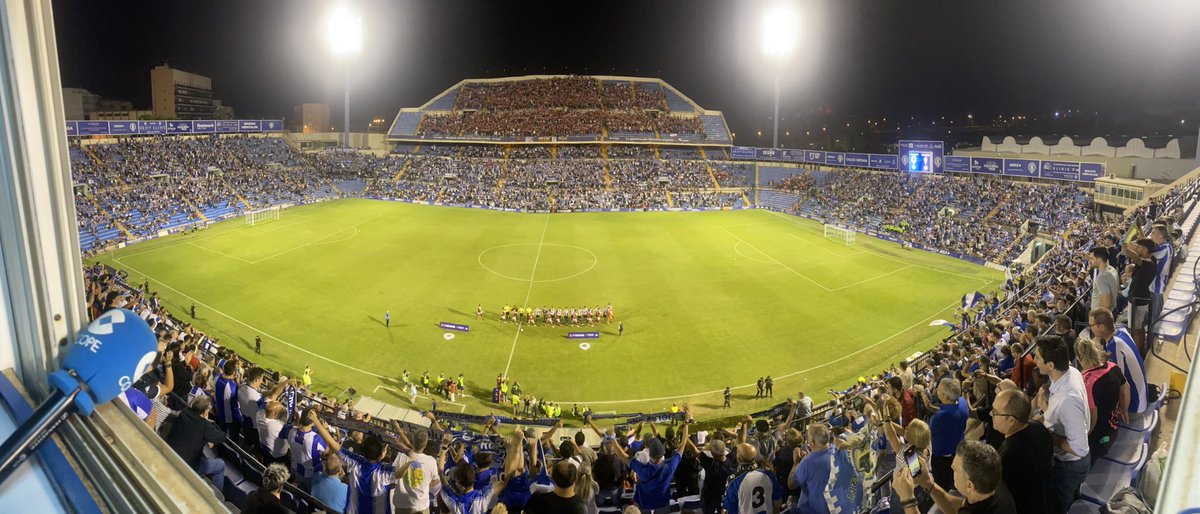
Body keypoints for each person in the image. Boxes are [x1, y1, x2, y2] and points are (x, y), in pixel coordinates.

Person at [1032, 335, 1090, 511]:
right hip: (1068, 463)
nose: (1034, 360)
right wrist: (1046, 409)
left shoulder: (1067, 399)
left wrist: (1049, 435)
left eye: (1038, 357)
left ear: (1050, 365)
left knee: (1058, 504)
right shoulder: (1071, 372)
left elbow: (1080, 448)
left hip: (1069, 465)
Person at [892, 440, 1017, 514]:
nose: (951, 469)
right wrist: (928, 483)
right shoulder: (993, 485)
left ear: (970, 485)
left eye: (955, 470)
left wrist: (907, 499)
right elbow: (960, 506)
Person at [991, 389, 1059, 514]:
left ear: (1011, 420)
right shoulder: (1039, 427)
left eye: (995, 412)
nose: (991, 415)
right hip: (1047, 501)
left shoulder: (1007, 456)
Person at [1076, 338, 1128, 464]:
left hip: (1099, 441)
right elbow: (1125, 388)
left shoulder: (1086, 383)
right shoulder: (1113, 367)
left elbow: (1092, 419)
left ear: (1079, 358)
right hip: (1113, 429)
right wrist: (1124, 409)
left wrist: (1084, 438)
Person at [629, 407, 690, 514]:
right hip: (663, 501)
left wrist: (650, 418)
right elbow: (683, 443)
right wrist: (686, 423)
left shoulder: (644, 469)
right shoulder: (670, 464)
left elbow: (626, 460)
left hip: (645, 504)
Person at [1088, 307, 1148, 415]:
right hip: (1142, 396)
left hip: (1135, 407)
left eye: (1091, 325)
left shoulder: (1114, 345)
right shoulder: (1120, 329)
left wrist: (1123, 409)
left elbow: (1119, 385)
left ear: (1101, 327)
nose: (1090, 328)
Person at [789, 423, 857, 514]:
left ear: (812, 441)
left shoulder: (807, 462)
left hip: (815, 510)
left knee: (791, 501)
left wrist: (796, 463)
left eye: (808, 436)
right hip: (838, 507)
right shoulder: (838, 450)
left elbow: (791, 484)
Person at [163, 395, 227, 492]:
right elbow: (222, 437)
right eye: (208, 410)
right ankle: (217, 497)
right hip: (188, 465)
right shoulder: (205, 426)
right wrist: (211, 423)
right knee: (220, 465)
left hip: (170, 455)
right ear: (205, 411)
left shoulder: (183, 413)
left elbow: (192, 430)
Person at [929, 378, 969, 491]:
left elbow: (928, 433)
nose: (937, 390)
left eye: (939, 389)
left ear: (946, 397)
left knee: (942, 488)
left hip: (942, 460)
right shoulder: (962, 402)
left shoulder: (939, 417)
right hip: (958, 451)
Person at [723, 443, 784, 514]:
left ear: (738, 459)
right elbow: (778, 503)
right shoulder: (769, 474)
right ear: (755, 457)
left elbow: (730, 510)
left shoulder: (734, 481)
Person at [695, 439, 736, 514]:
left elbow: (695, 452)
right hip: (726, 497)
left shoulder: (711, 466)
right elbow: (741, 441)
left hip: (710, 498)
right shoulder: (732, 459)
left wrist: (707, 447)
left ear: (713, 454)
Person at [1087, 247, 1118, 311]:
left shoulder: (1101, 278)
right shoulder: (1112, 269)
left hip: (1101, 317)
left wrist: (1096, 318)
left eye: (1092, 258)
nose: (1089, 261)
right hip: (1112, 311)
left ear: (1099, 260)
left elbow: (1106, 305)